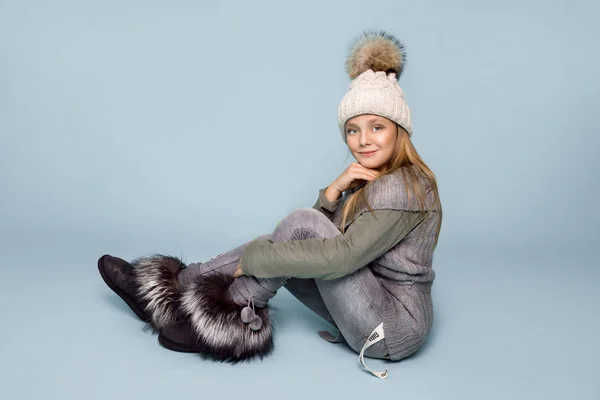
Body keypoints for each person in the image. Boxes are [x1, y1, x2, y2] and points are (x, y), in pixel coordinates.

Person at [97, 29, 442, 379]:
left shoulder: (404, 186)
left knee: (285, 242)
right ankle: (183, 290)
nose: (363, 140)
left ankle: (216, 316)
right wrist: (334, 192)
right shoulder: (371, 178)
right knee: (287, 244)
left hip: (393, 329)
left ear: (399, 130)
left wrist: (253, 259)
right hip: (368, 304)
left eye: (376, 127)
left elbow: (342, 256)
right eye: (353, 130)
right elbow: (308, 241)